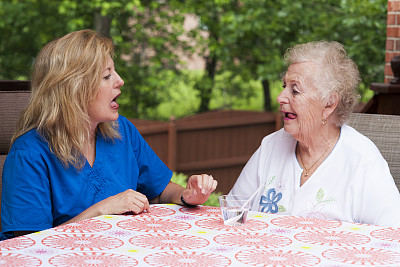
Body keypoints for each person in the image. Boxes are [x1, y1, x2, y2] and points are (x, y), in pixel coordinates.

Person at [1, 29, 217, 240]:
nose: (120, 80)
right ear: (74, 89)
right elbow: (28, 246)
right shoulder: (29, 153)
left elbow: (160, 190)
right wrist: (101, 210)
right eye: (107, 75)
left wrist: (187, 195)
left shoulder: (122, 130)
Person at [229, 41, 400, 227]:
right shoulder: (271, 146)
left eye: (295, 90)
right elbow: (233, 216)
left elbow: (391, 235)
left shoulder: (363, 160)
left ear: (329, 103)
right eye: (284, 86)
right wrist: (194, 203)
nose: (280, 98)